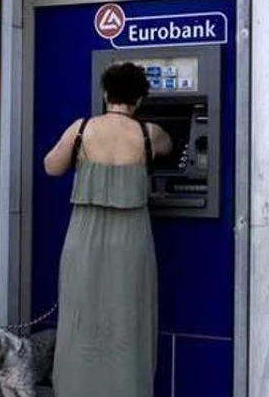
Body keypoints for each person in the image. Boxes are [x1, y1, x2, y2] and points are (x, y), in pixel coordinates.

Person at [43, 62, 172, 397]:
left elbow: (51, 166)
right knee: (131, 320)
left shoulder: (82, 129)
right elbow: (171, 148)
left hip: (84, 238)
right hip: (131, 240)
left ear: (105, 93)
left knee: (79, 318)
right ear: (140, 99)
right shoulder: (149, 133)